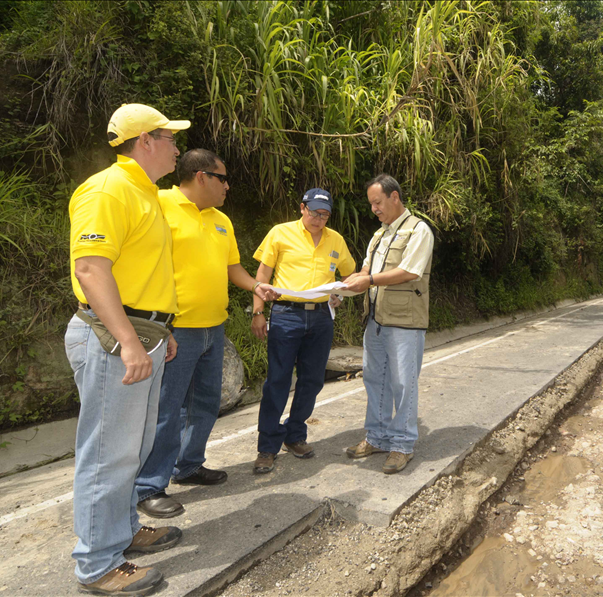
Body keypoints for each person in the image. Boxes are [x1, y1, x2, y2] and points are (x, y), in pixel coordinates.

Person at [65, 104, 188, 595]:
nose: (178, 147)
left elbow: (144, 272)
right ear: (146, 141)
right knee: (106, 454)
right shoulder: (107, 188)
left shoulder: (146, 193)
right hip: (113, 338)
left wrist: (162, 329)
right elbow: (91, 269)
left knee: (131, 448)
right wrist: (131, 341)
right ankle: (96, 564)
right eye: (171, 138)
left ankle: (119, 534)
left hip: (143, 334)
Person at [135, 150, 279, 518]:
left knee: (205, 404)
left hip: (214, 328)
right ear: (201, 177)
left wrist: (255, 288)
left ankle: (188, 465)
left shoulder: (221, 221)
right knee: (167, 409)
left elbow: (233, 267)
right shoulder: (158, 204)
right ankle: (150, 485)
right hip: (174, 329)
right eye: (222, 178)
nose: (227, 185)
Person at [250, 189, 357, 474]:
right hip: (286, 315)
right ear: (302, 208)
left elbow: (349, 276)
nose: (318, 219)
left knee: (311, 381)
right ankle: (267, 447)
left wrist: (340, 295)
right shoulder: (280, 233)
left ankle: (295, 435)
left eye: (324, 215)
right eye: (314, 212)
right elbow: (262, 276)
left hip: (321, 318)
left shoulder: (337, 240)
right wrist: (258, 312)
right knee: (278, 381)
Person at [344, 174, 434, 474]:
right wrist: (346, 288)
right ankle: (377, 437)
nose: (374, 209)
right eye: (371, 204)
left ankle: (402, 445)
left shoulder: (419, 230)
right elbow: (367, 269)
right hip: (376, 319)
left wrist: (367, 278)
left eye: (378, 202)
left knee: (402, 384)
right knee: (374, 379)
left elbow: (409, 271)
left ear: (395, 197)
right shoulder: (379, 235)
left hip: (405, 322)